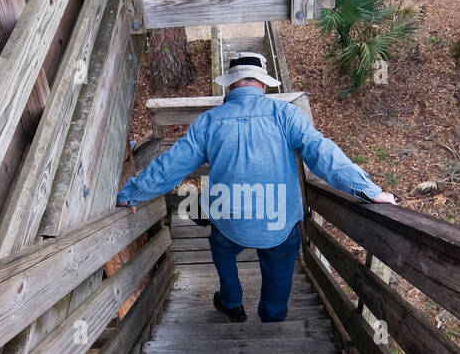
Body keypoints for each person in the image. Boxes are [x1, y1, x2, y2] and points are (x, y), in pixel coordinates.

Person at [116, 51, 397, 323]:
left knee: (221, 247)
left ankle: (231, 302)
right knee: (279, 269)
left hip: (230, 221)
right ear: (262, 82)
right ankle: (272, 317)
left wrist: (132, 193)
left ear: (232, 83)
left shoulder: (209, 122)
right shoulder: (285, 114)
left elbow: (172, 165)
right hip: (279, 222)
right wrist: (368, 189)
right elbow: (322, 152)